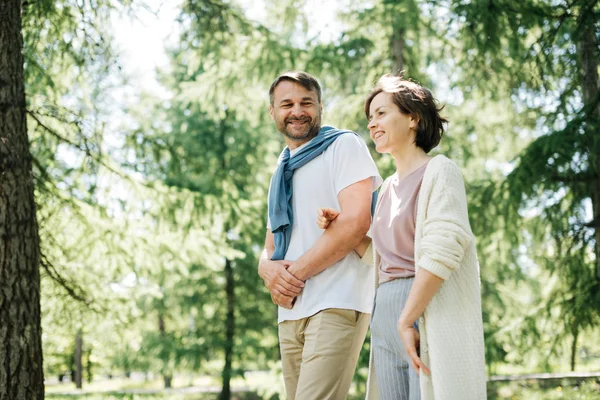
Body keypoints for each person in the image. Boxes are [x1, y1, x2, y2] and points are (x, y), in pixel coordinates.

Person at [318, 74, 486, 400]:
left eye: (381, 113)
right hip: (386, 317)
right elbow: (382, 258)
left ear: (413, 117)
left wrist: (407, 320)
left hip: (424, 312)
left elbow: (443, 248)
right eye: (370, 118)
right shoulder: (385, 191)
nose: (372, 124)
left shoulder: (440, 171)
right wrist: (343, 229)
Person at [258, 71, 382, 400]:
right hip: (291, 310)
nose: (297, 111)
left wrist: (293, 274)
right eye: (287, 104)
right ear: (273, 111)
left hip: (336, 300)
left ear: (320, 107)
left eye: (306, 103)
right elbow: (268, 247)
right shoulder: (281, 169)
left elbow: (356, 221)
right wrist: (267, 271)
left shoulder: (344, 146)